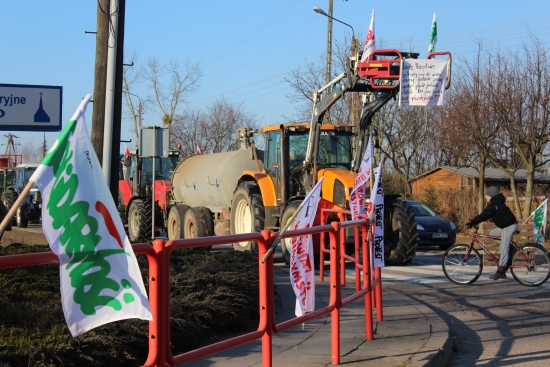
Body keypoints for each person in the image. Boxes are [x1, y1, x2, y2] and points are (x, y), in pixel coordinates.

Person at [466, 186, 518, 280]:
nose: (485, 196)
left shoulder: (494, 204)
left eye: (487, 195)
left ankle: (501, 271)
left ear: (491, 195)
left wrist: (472, 222)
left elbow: (484, 215)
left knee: (503, 248)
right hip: (505, 225)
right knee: (493, 233)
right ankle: (511, 248)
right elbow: (492, 214)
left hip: (508, 226)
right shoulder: (496, 202)